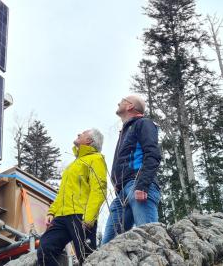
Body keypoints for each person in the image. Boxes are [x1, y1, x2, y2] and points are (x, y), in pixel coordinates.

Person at [37, 129, 107, 266]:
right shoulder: (72, 166)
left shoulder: (96, 159)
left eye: (83, 133)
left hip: (81, 216)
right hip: (61, 217)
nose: (78, 134)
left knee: (86, 257)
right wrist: (52, 212)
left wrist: (89, 218)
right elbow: (62, 193)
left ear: (89, 141)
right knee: (45, 250)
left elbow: (99, 189)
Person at [102, 95, 161, 244]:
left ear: (130, 106)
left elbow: (152, 154)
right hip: (122, 193)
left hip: (138, 185)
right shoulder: (126, 131)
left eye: (122, 100)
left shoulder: (143, 123)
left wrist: (142, 185)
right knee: (107, 245)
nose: (118, 102)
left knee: (149, 239)